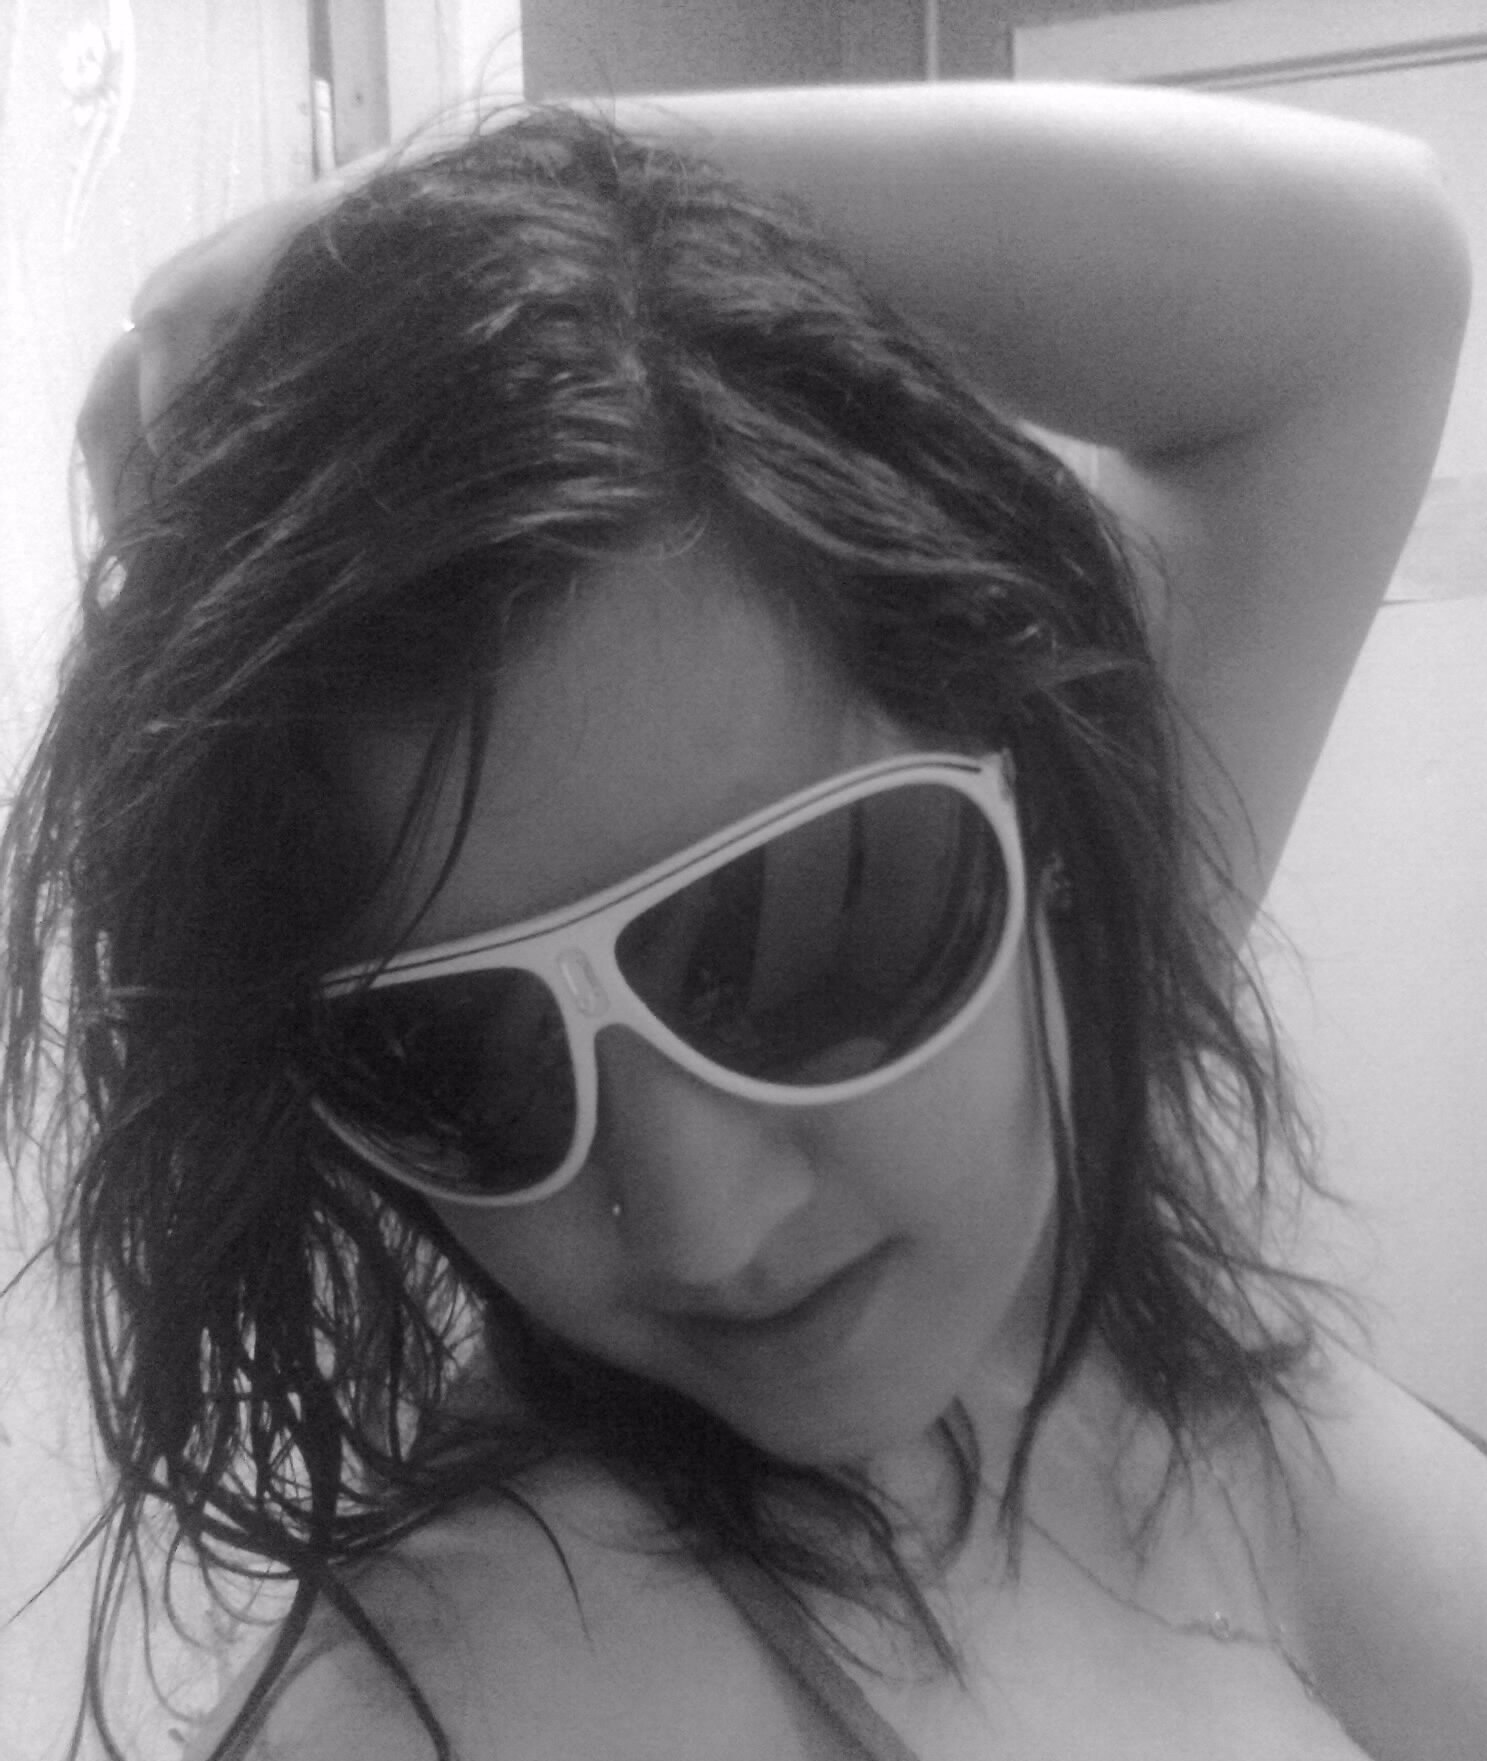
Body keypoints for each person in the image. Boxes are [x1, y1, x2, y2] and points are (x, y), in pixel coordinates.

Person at [2, 82, 1482, 1761]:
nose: (702, 1224)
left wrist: (535, 204)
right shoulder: (498, 1683)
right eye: (462, 1059)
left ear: (1038, 783)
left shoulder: (1082, 1064)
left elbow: (1378, 280)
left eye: (800, 940)